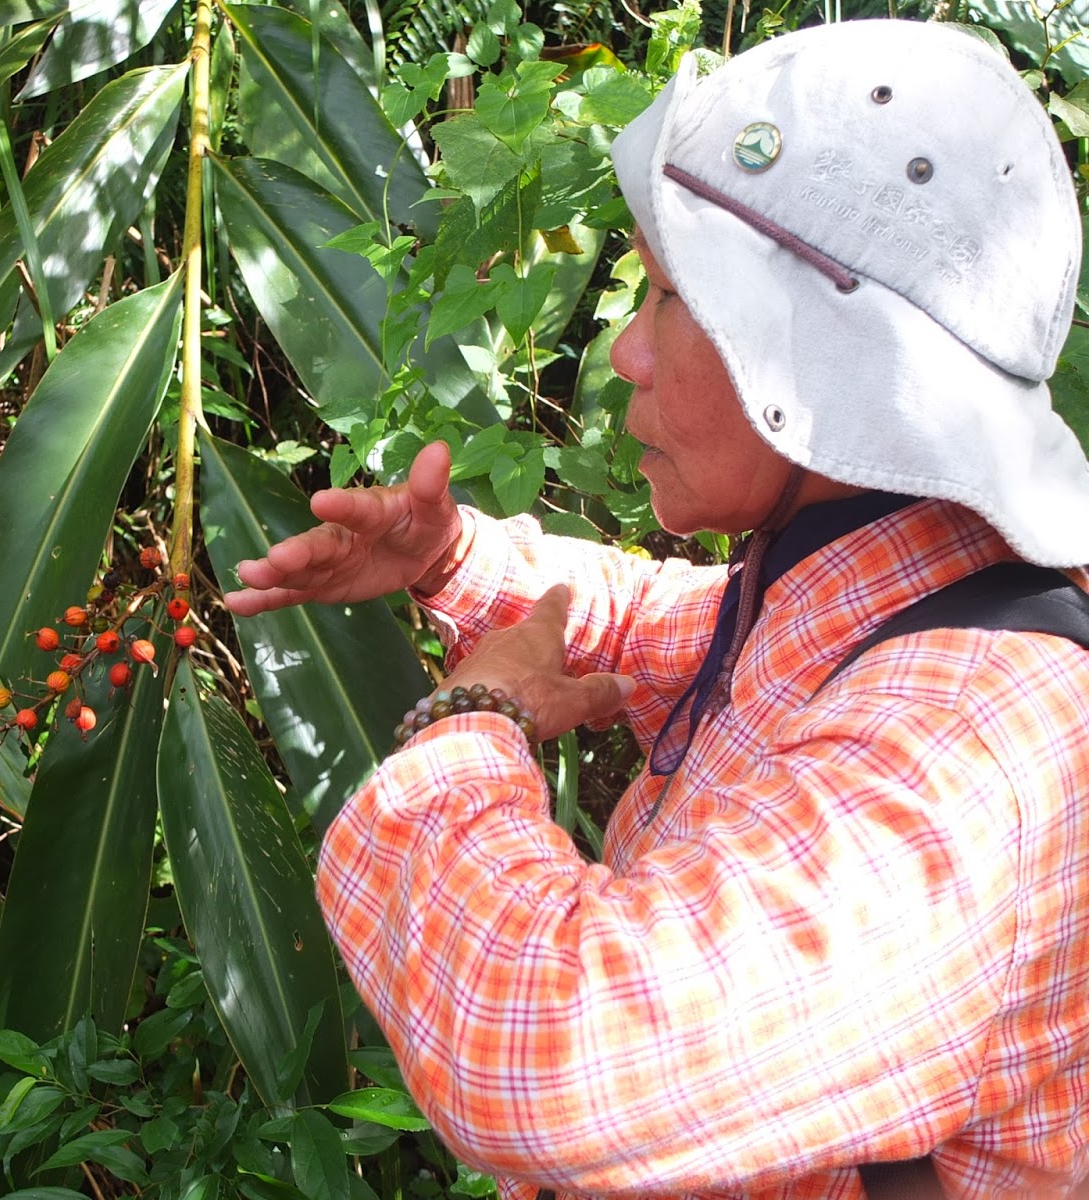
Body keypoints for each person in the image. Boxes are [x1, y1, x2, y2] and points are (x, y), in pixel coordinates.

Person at [224, 18, 1089, 1200]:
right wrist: (452, 558)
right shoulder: (889, 582)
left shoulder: (980, 745)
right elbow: (667, 628)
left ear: (813, 361)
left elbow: (542, 1054)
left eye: (671, 297)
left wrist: (469, 722)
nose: (627, 353)